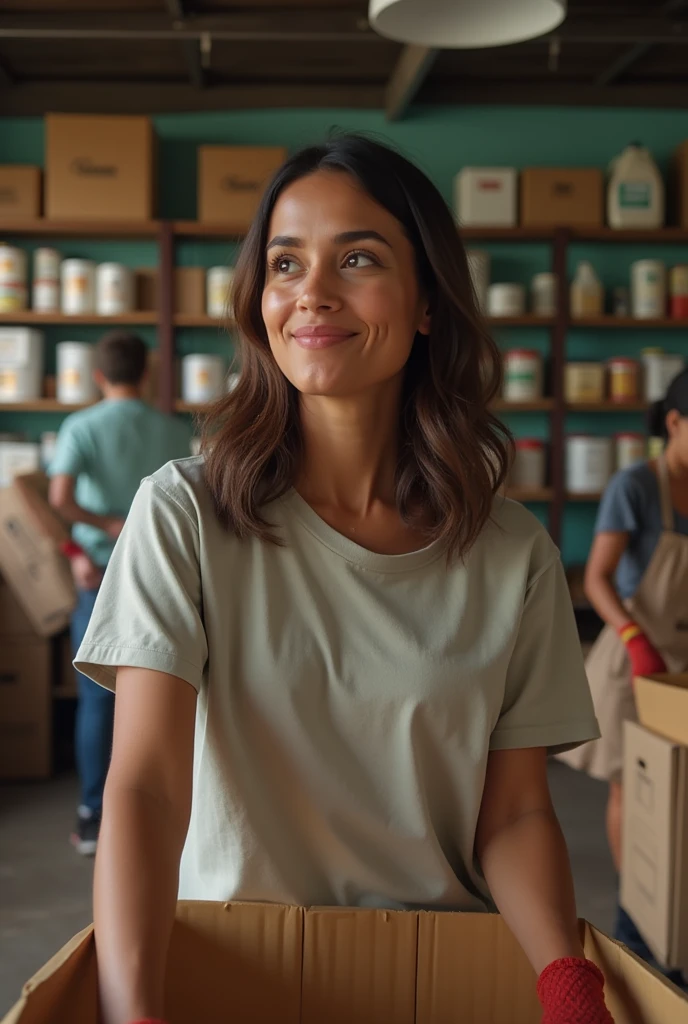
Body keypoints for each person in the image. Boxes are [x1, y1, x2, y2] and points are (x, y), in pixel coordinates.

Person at [74, 137, 612, 1024]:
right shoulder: (186, 516)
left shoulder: (513, 554)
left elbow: (513, 815)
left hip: (441, 973)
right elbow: (146, 789)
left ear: (428, 302)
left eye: (357, 258)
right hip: (233, 966)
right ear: (260, 299)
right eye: (286, 263)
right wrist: (134, 1013)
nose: (312, 292)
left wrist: (566, 983)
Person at [560, 368, 688, 979]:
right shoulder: (637, 485)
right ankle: (637, 908)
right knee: (630, 785)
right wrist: (636, 640)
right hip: (634, 658)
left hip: (682, 664)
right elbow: (597, 578)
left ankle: (672, 906)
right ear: (674, 423)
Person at [49, 330, 193, 856]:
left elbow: (59, 498)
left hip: (101, 573)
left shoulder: (80, 426)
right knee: (165, 694)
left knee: (97, 697)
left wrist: (95, 531)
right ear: (147, 373)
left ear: (98, 376)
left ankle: (94, 815)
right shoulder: (174, 429)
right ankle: (164, 819)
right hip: (168, 574)